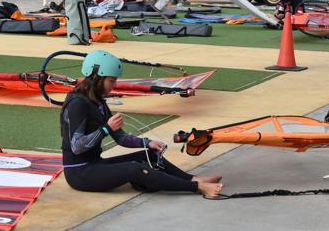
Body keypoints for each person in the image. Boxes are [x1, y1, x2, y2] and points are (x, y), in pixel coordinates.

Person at [60, 50, 223, 197]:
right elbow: (77, 146)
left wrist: (147, 143)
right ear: (96, 78)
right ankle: (197, 187)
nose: (114, 85)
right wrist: (106, 129)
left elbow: (120, 138)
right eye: (111, 80)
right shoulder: (78, 104)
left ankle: (194, 178)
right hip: (79, 173)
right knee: (134, 169)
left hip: (95, 164)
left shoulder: (97, 101)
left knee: (149, 155)